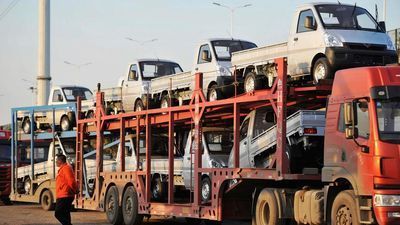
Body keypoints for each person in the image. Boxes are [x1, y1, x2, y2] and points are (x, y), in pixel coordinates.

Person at [55, 154, 78, 225]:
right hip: (64, 194)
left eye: (56, 160)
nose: (56, 162)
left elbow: (71, 181)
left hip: (65, 195)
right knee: (65, 213)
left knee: (58, 213)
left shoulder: (66, 168)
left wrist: (75, 190)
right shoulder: (63, 169)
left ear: (60, 161)